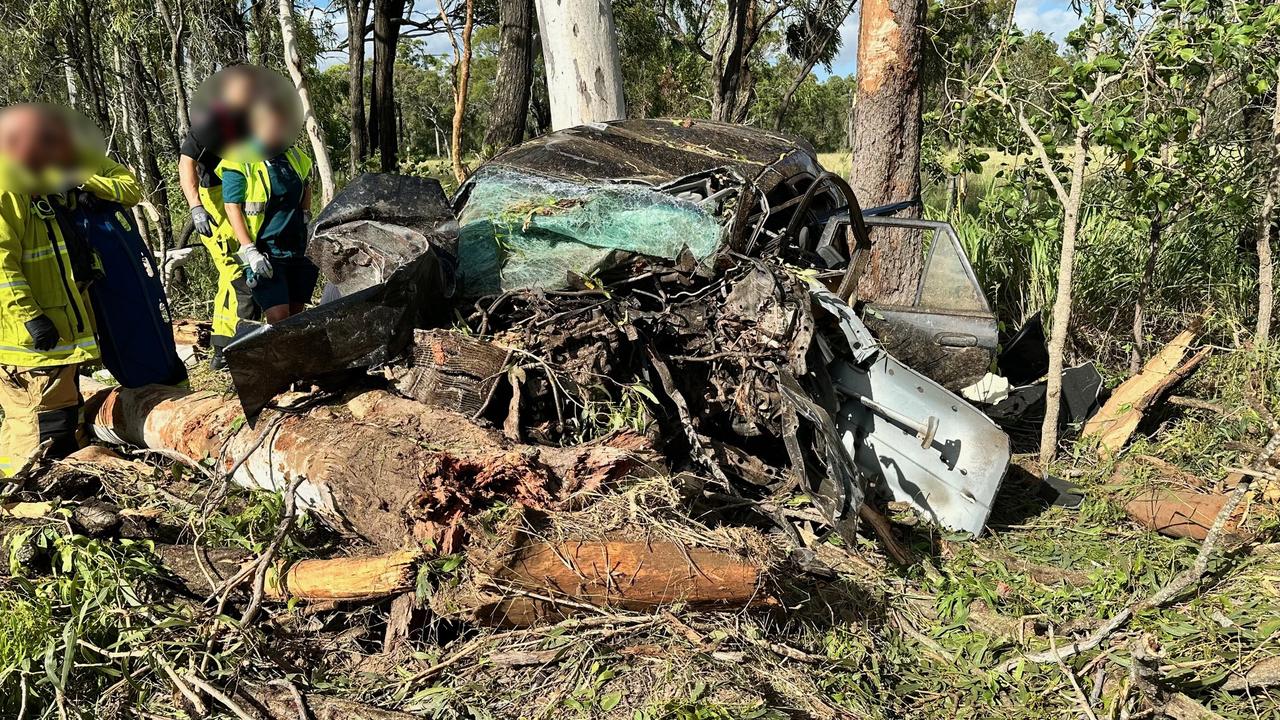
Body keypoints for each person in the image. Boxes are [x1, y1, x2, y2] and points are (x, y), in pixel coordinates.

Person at [0, 104, 140, 475]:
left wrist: (83, 182)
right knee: (35, 427)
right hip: (29, 344)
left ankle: (59, 492)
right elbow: (1, 260)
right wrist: (30, 317)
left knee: (62, 422)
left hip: (59, 338)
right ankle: (22, 503)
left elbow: (126, 188)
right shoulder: (6, 183)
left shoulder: (33, 178)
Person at [178, 66, 259, 367]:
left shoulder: (253, 120)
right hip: (215, 202)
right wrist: (195, 206)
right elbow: (186, 165)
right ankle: (226, 348)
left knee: (243, 276)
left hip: (243, 199)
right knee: (236, 274)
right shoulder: (212, 120)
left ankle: (232, 345)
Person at [219, 97, 317, 324]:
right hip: (265, 251)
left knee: (296, 314)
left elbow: (306, 187)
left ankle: (294, 359)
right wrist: (249, 250)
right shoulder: (239, 160)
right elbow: (232, 207)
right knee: (278, 316)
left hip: (296, 247)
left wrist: (306, 219)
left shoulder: (294, 157)